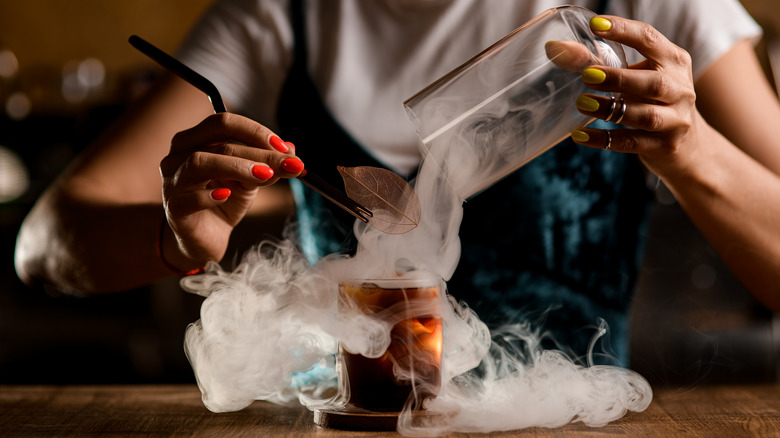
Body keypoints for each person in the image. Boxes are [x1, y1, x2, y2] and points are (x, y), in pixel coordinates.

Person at [14, 0, 780, 366]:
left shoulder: (652, 7)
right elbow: (45, 246)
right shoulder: (283, 20)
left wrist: (695, 152)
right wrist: (175, 234)